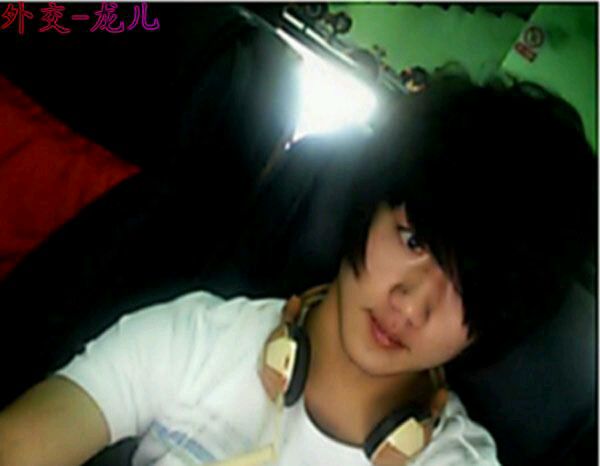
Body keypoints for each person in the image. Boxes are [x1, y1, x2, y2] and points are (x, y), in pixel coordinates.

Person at [0, 69, 595, 466]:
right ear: (368, 208)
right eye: (413, 240)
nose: (413, 304)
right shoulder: (197, 339)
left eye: (468, 289)